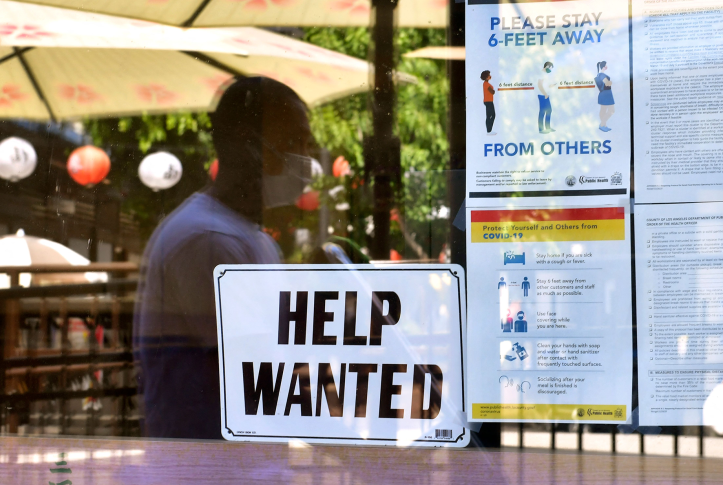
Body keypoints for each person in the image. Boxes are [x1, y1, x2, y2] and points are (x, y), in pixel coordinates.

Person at [133, 77, 314, 439]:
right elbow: (262, 382)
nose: (305, 160)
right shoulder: (208, 240)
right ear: (250, 147)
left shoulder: (249, 236)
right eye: (294, 142)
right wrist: (359, 450)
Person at [536, 61, 557, 134]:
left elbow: (546, 85)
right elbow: (539, 85)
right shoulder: (541, 74)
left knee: (548, 110)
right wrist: (545, 94)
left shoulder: (545, 75)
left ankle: (547, 128)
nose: (550, 70)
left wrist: (552, 85)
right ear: (547, 66)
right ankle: (541, 129)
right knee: (542, 112)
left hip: (545, 95)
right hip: (543, 95)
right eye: (550, 68)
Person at [595, 61, 615, 132]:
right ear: (603, 67)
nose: (607, 67)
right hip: (605, 94)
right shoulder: (601, 75)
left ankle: (604, 125)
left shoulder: (601, 75)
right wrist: (611, 82)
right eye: (606, 65)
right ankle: (602, 124)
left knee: (605, 110)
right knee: (609, 110)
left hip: (606, 93)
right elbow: (607, 83)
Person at [481, 70, 496, 135]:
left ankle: (489, 130)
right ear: (486, 77)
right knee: (491, 115)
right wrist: (493, 91)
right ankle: (489, 131)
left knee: (490, 115)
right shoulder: (486, 84)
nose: (490, 76)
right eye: (489, 75)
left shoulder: (486, 84)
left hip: (489, 101)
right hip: (488, 101)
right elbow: (492, 92)